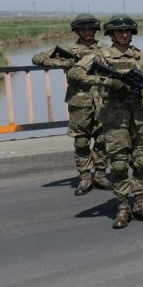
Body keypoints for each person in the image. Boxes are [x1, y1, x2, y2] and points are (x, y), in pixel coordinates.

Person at [68, 15, 143, 228]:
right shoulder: (98, 56)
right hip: (114, 119)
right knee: (119, 165)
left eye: (128, 31)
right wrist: (107, 81)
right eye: (119, 31)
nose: (124, 34)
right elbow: (75, 74)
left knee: (142, 162)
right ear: (110, 34)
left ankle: (141, 205)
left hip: (139, 118)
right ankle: (122, 208)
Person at [31, 13, 112, 195]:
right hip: (80, 101)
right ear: (77, 31)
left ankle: (100, 174)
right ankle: (84, 177)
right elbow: (37, 58)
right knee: (82, 141)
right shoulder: (68, 48)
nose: (87, 32)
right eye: (83, 29)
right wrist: (65, 62)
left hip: (103, 100)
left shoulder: (106, 49)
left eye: (90, 28)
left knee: (102, 140)